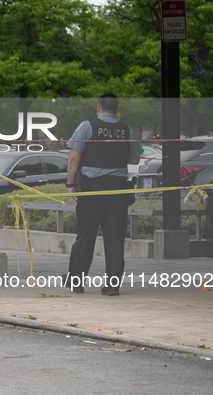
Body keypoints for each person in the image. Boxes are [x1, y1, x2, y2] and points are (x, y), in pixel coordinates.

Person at [63, 94, 142, 296]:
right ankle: (112, 286)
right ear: (116, 109)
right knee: (115, 239)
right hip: (118, 190)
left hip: (92, 190)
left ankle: (76, 282)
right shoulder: (127, 129)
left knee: (86, 236)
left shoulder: (87, 126)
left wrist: (70, 184)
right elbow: (134, 159)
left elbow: (74, 157)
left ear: (98, 107)